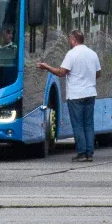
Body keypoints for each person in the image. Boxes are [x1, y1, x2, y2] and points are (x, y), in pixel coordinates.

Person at [37, 30, 101, 162]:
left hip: (76, 95)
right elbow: (98, 73)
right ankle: (89, 153)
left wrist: (47, 67)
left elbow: (61, 72)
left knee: (78, 125)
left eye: (69, 39)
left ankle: (82, 153)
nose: (69, 42)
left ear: (73, 39)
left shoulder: (71, 54)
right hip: (90, 93)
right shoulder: (92, 54)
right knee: (88, 124)